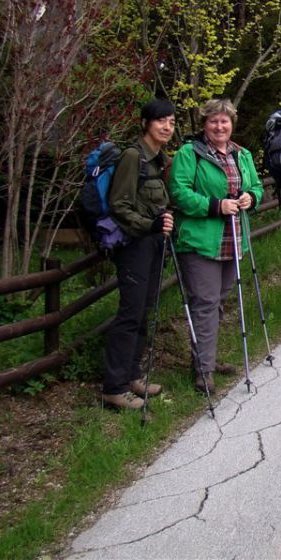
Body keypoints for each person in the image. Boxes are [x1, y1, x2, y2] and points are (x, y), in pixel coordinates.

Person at [169, 99, 263, 394]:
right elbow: (179, 192)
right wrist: (215, 206)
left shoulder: (242, 154)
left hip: (233, 240)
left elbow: (257, 186)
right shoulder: (189, 153)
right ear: (204, 125)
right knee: (206, 303)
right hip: (200, 241)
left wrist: (251, 197)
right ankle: (203, 370)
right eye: (213, 121)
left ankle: (204, 356)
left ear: (232, 123)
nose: (219, 126)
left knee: (218, 302)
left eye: (224, 121)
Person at [101, 98, 176, 411]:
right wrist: (150, 224)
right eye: (160, 121)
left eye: (171, 122)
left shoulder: (159, 159)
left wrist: (163, 222)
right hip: (135, 245)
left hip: (153, 242)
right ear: (146, 122)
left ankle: (132, 375)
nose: (167, 127)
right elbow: (119, 204)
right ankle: (114, 388)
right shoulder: (133, 156)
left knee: (144, 308)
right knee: (130, 313)